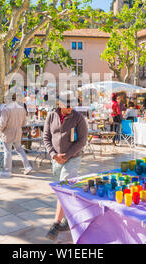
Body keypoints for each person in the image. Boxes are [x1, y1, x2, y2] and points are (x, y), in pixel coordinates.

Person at [44, 94, 88, 241]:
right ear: (59, 103)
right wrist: (53, 155)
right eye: (67, 105)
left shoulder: (78, 118)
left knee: (63, 188)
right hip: (56, 159)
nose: (70, 108)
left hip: (72, 158)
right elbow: (46, 137)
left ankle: (56, 223)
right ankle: (69, 218)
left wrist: (67, 155)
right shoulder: (51, 116)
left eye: (72, 105)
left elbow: (82, 141)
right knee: (62, 191)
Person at [0, 94, 33, 177]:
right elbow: (24, 122)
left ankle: (7, 170)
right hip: (18, 131)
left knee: (7, 151)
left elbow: (2, 123)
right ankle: (27, 166)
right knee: (19, 149)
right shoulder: (22, 109)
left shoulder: (6, 109)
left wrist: (0, 130)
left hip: (8, 131)